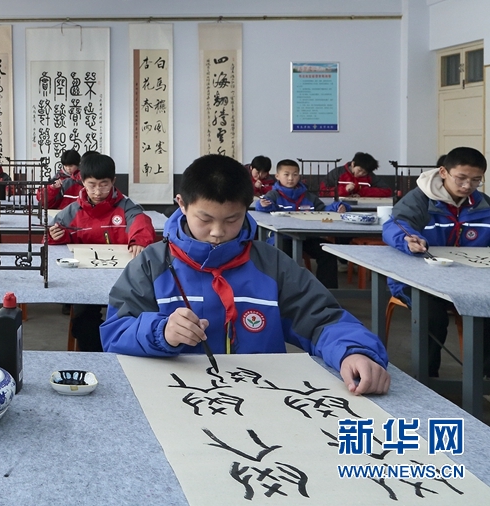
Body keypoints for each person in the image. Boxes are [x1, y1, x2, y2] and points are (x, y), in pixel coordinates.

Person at [101, 154, 390, 395]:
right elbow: (114, 333)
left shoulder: (270, 265)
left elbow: (322, 319)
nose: (217, 231)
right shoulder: (152, 264)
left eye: (232, 219)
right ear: (182, 204)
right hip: (174, 398)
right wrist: (160, 332)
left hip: (262, 399)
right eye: (205, 218)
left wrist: (353, 351)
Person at [382, 146, 490, 378]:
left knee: (486, 311)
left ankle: (483, 380)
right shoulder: (421, 199)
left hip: (469, 280)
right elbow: (396, 225)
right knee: (432, 316)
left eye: (476, 180)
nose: (467, 185)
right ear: (443, 172)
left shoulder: (483, 205)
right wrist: (408, 240)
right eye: (461, 178)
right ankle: (428, 379)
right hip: (419, 280)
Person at [48, 152, 156, 352]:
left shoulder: (125, 207)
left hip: (122, 280)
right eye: (92, 185)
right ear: (82, 182)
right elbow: (53, 232)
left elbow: (141, 223)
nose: (98, 191)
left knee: (131, 318)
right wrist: (57, 236)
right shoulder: (72, 211)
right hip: (86, 280)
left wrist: (140, 240)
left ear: (113, 181)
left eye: (104, 184)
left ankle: (120, 353)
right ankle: (98, 357)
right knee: (83, 322)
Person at [255, 159, 348, 288]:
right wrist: (262, 205)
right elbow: (261, 206)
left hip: (306, 237)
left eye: (295, 174)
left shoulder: (308, 196)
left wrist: (338, 207)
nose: (291, 178)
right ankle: (286, 292)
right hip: (282, 237)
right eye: (286, 174)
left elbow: (322, 209)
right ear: (277, 176)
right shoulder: (274, 195)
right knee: (283, 256)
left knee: (328, 253)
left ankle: (326, 294)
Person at [322, 152, 392, 198]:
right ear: (353, 164)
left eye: (365, 172)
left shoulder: (370, 176)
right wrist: (344, 190)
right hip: (339, 206)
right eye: (359, 170)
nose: (361, 174)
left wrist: (362, 193)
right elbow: (322, 191)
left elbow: (387, 191)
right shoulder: (337, 172)